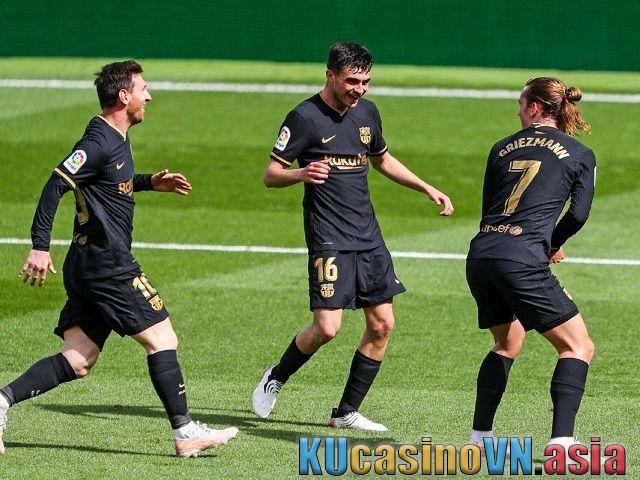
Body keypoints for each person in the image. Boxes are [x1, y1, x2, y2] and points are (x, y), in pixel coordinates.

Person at [0, 60, 237, 458]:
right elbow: (55, 185)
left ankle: (2, 401)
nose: (150, 96)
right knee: (163, 338)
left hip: (88, 264)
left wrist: (149, 182)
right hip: (107, 264)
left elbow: (109, 183)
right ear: (124, 96)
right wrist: (40, 246)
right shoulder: (97, 142)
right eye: (143, 89)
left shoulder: (116, 137)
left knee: (79, 358)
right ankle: (185, 432)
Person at [251, 42, 454, 431]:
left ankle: (345, 412)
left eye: (365, 82)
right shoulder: (303, 117)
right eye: (351, 81)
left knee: (383, 325)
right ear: (330, 76)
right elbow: (270, 175)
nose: (359, 89)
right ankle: (276, 375)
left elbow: (382, 160)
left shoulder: (367, 112)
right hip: (328, 237)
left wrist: (426, 187)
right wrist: (301, 173)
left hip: (368, 237)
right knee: (327, 329)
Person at [466, 77, 596, 453]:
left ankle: (480, 439)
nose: (518, 110)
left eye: (521, 103)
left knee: (507, 342)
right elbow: (579, 214)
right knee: (578, 346)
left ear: (535, 107)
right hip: (521, 259)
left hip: (481, 255)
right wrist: (552, 243)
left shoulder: (500, 147)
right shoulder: (580, 153)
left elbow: (490, 209)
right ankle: (562, 445)